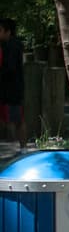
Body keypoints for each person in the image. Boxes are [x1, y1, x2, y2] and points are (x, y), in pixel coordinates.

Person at [0, 17, 25, 146]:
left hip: (12, 89)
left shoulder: (13, 46)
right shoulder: (7, 45)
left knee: (15, 120)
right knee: (9, 119)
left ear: (8, 31)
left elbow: (10, 68)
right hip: (8, 88)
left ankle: (20, 148)